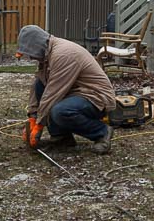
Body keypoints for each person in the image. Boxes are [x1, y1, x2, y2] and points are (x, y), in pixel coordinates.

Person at [16, 25, 116, 153]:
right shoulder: (48, 53)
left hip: (95, 96)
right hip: (75, 92)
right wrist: (32, 116)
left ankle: (101, 132)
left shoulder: (64, 54)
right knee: (40, 86)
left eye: (31, 53)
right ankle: (61, 138)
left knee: (60, 111)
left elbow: (53, 93)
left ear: (37, 46)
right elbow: (39, 85)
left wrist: (39, 125)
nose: (31, 58)